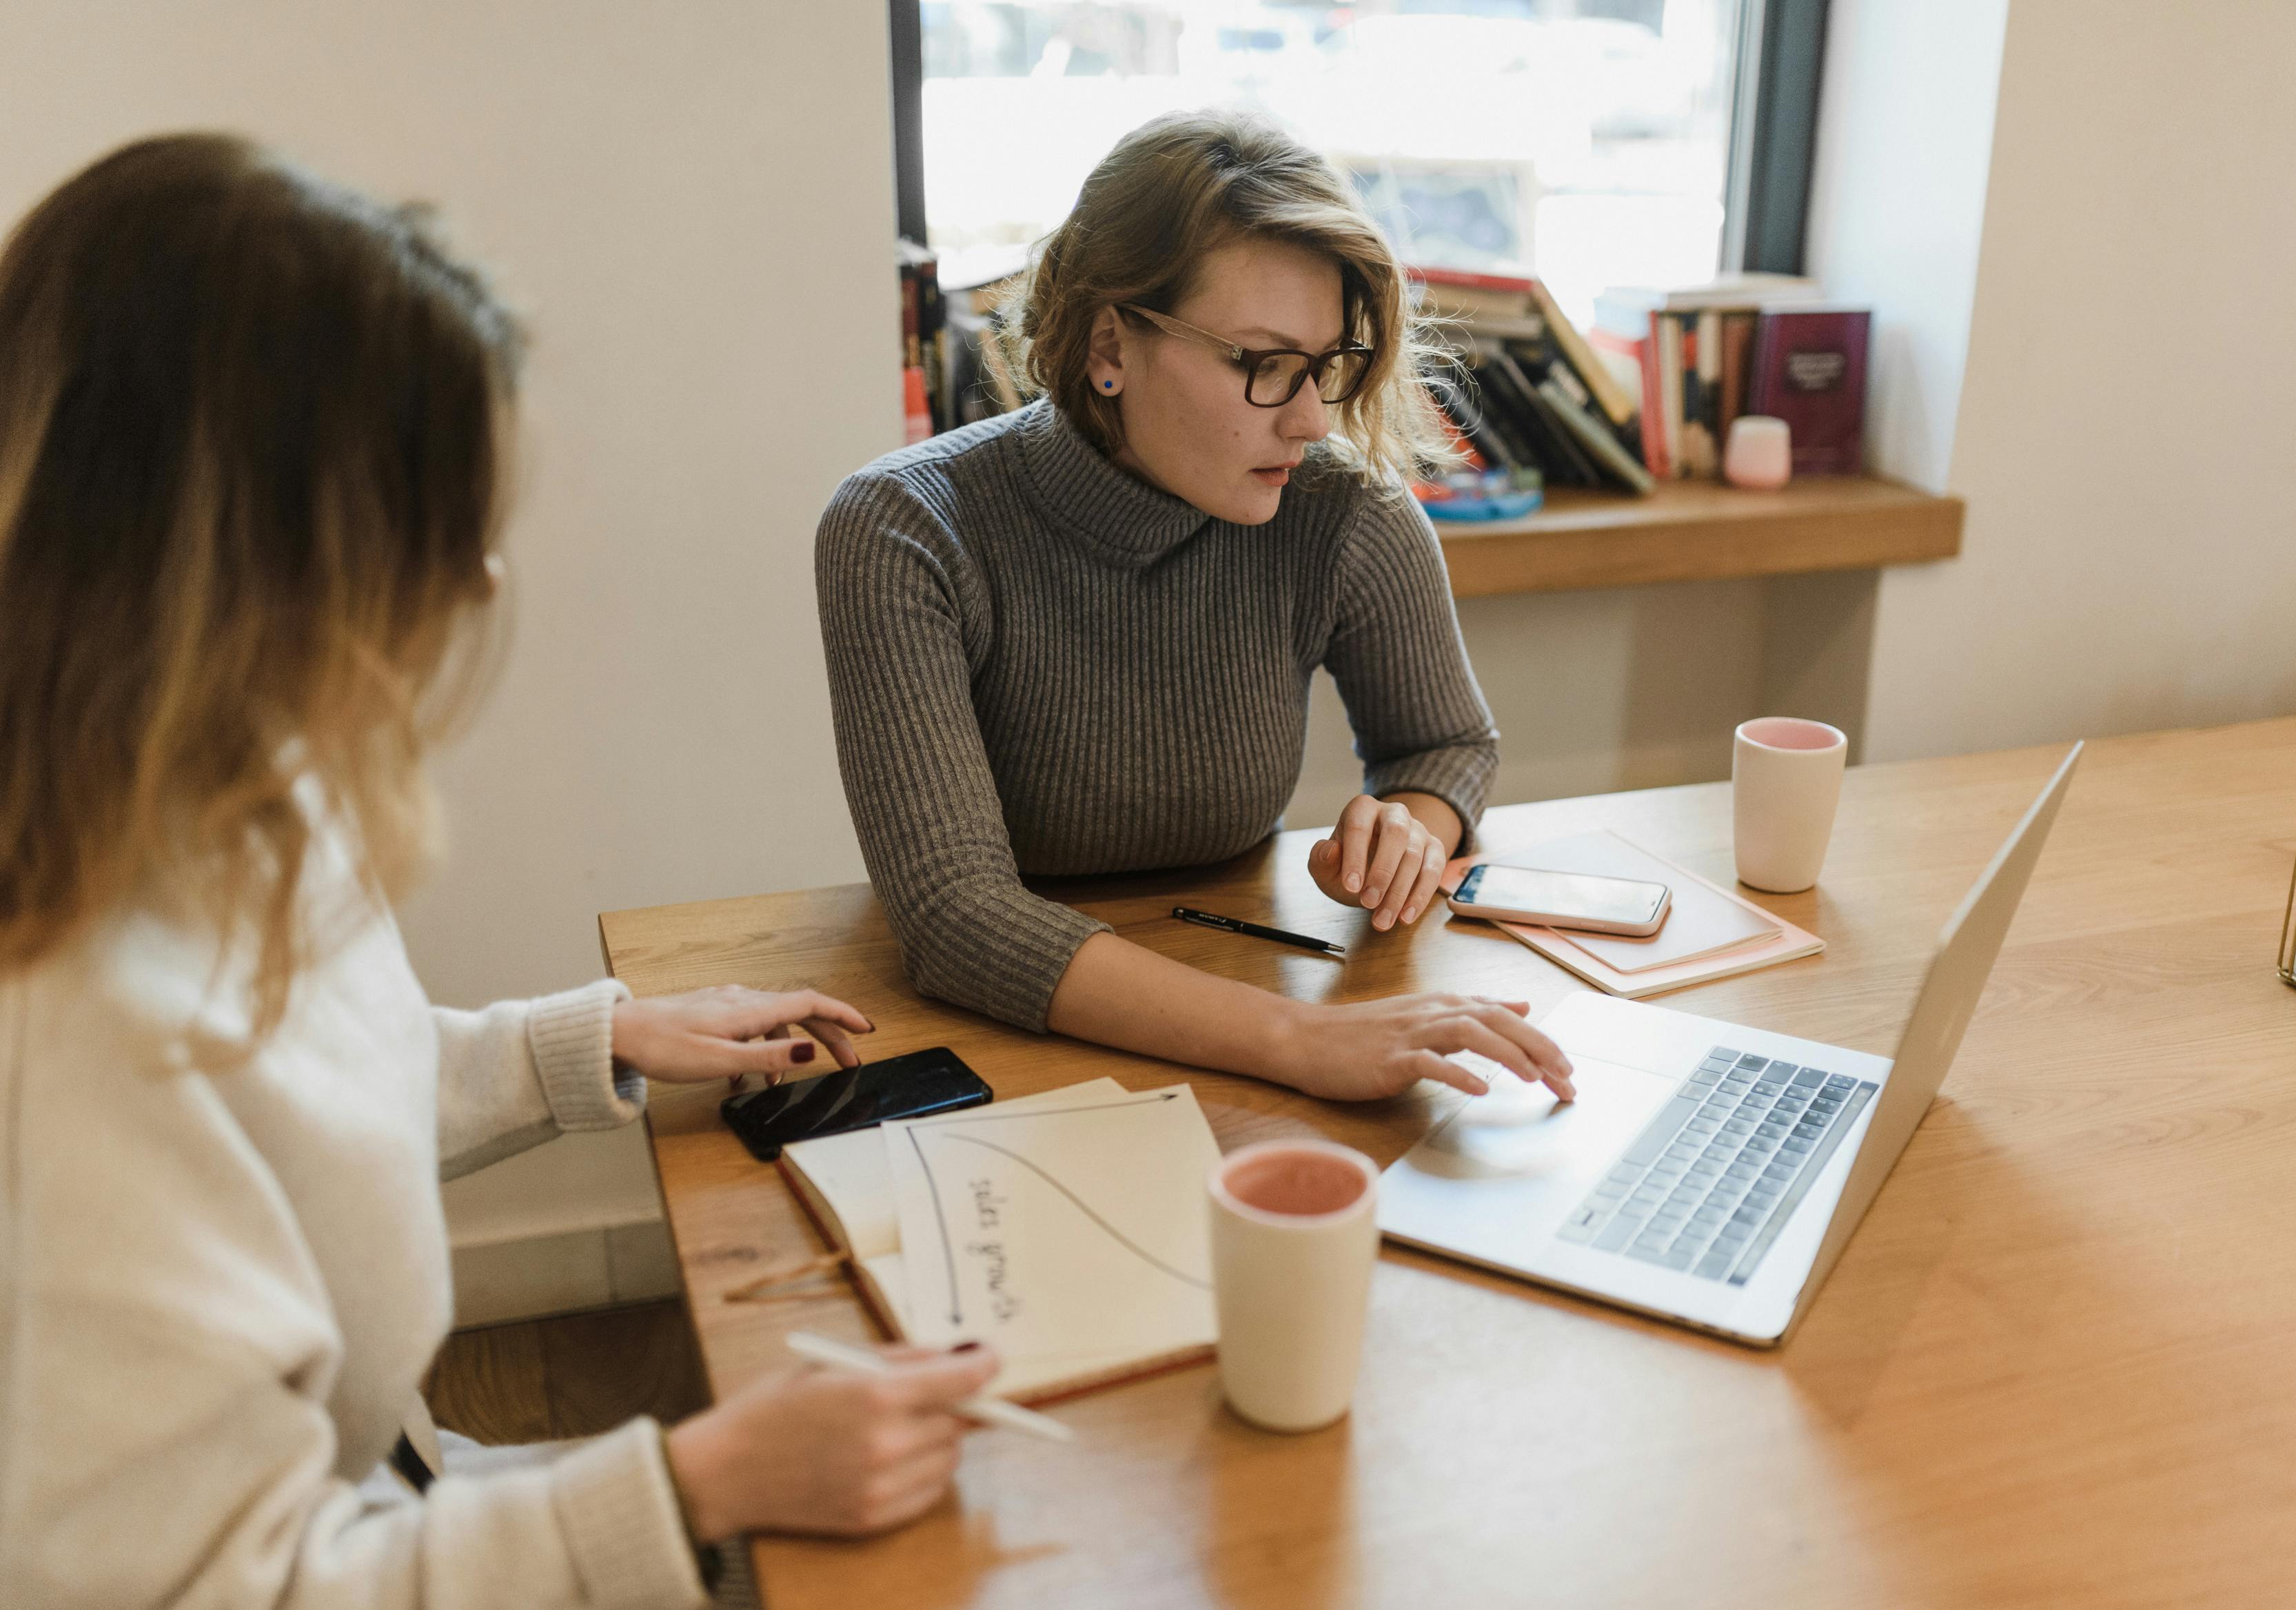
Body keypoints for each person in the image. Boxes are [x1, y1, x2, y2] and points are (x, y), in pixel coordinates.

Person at [0, 134, 995, 1610]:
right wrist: (693, 1484)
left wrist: (578, 1045)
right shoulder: (70, 1039)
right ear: (241, 552)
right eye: (433, 521)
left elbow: (289, 1110)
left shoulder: (243, 788)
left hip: (409, 1491)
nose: (476, 580)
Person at [818, 111, 1576, 1103]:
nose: (1309, 420)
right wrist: (1301, 1041)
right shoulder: (903, 529)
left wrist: (1410, 829)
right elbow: (957, 916)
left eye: (1325, 366)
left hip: (1231, 988)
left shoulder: (1342, 510)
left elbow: (1446, 746)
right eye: (1260, 364)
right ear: (1109, 344)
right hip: (1007, 1048)